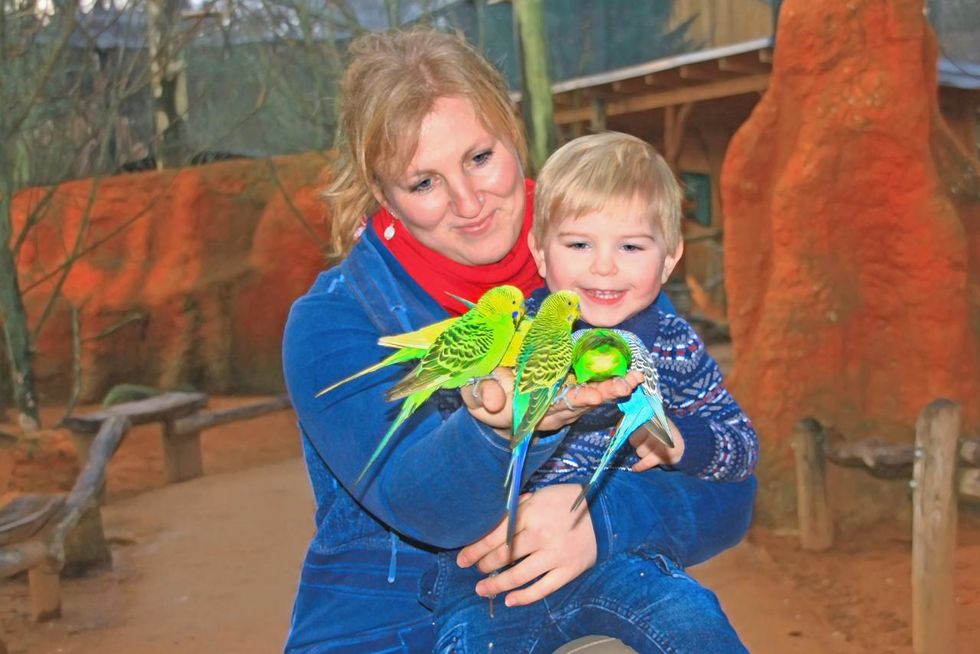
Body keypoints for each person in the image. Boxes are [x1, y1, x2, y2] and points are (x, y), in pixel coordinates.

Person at [281, 27, 757, 653]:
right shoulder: (334, 321)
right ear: (382, 194)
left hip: (576, 590)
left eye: (480, 158)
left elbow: (729, 486)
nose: (469, 202)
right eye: (423, 184)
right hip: (384, 625)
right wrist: (498, 429)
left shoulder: (595, 266)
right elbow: (425, 506)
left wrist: (599, 521)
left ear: (515, 134)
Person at [433, 131, 759, 652]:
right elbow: (441, 461)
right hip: (496, 575)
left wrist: (679, 441)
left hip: (622, 563)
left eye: (630, 246)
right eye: (579, 244)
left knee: (695, 622)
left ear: (670, 259)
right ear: (540, 253)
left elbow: (741, 448)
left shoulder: (674, 347)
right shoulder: (511, 336)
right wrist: (480, 409)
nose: (604, 265)